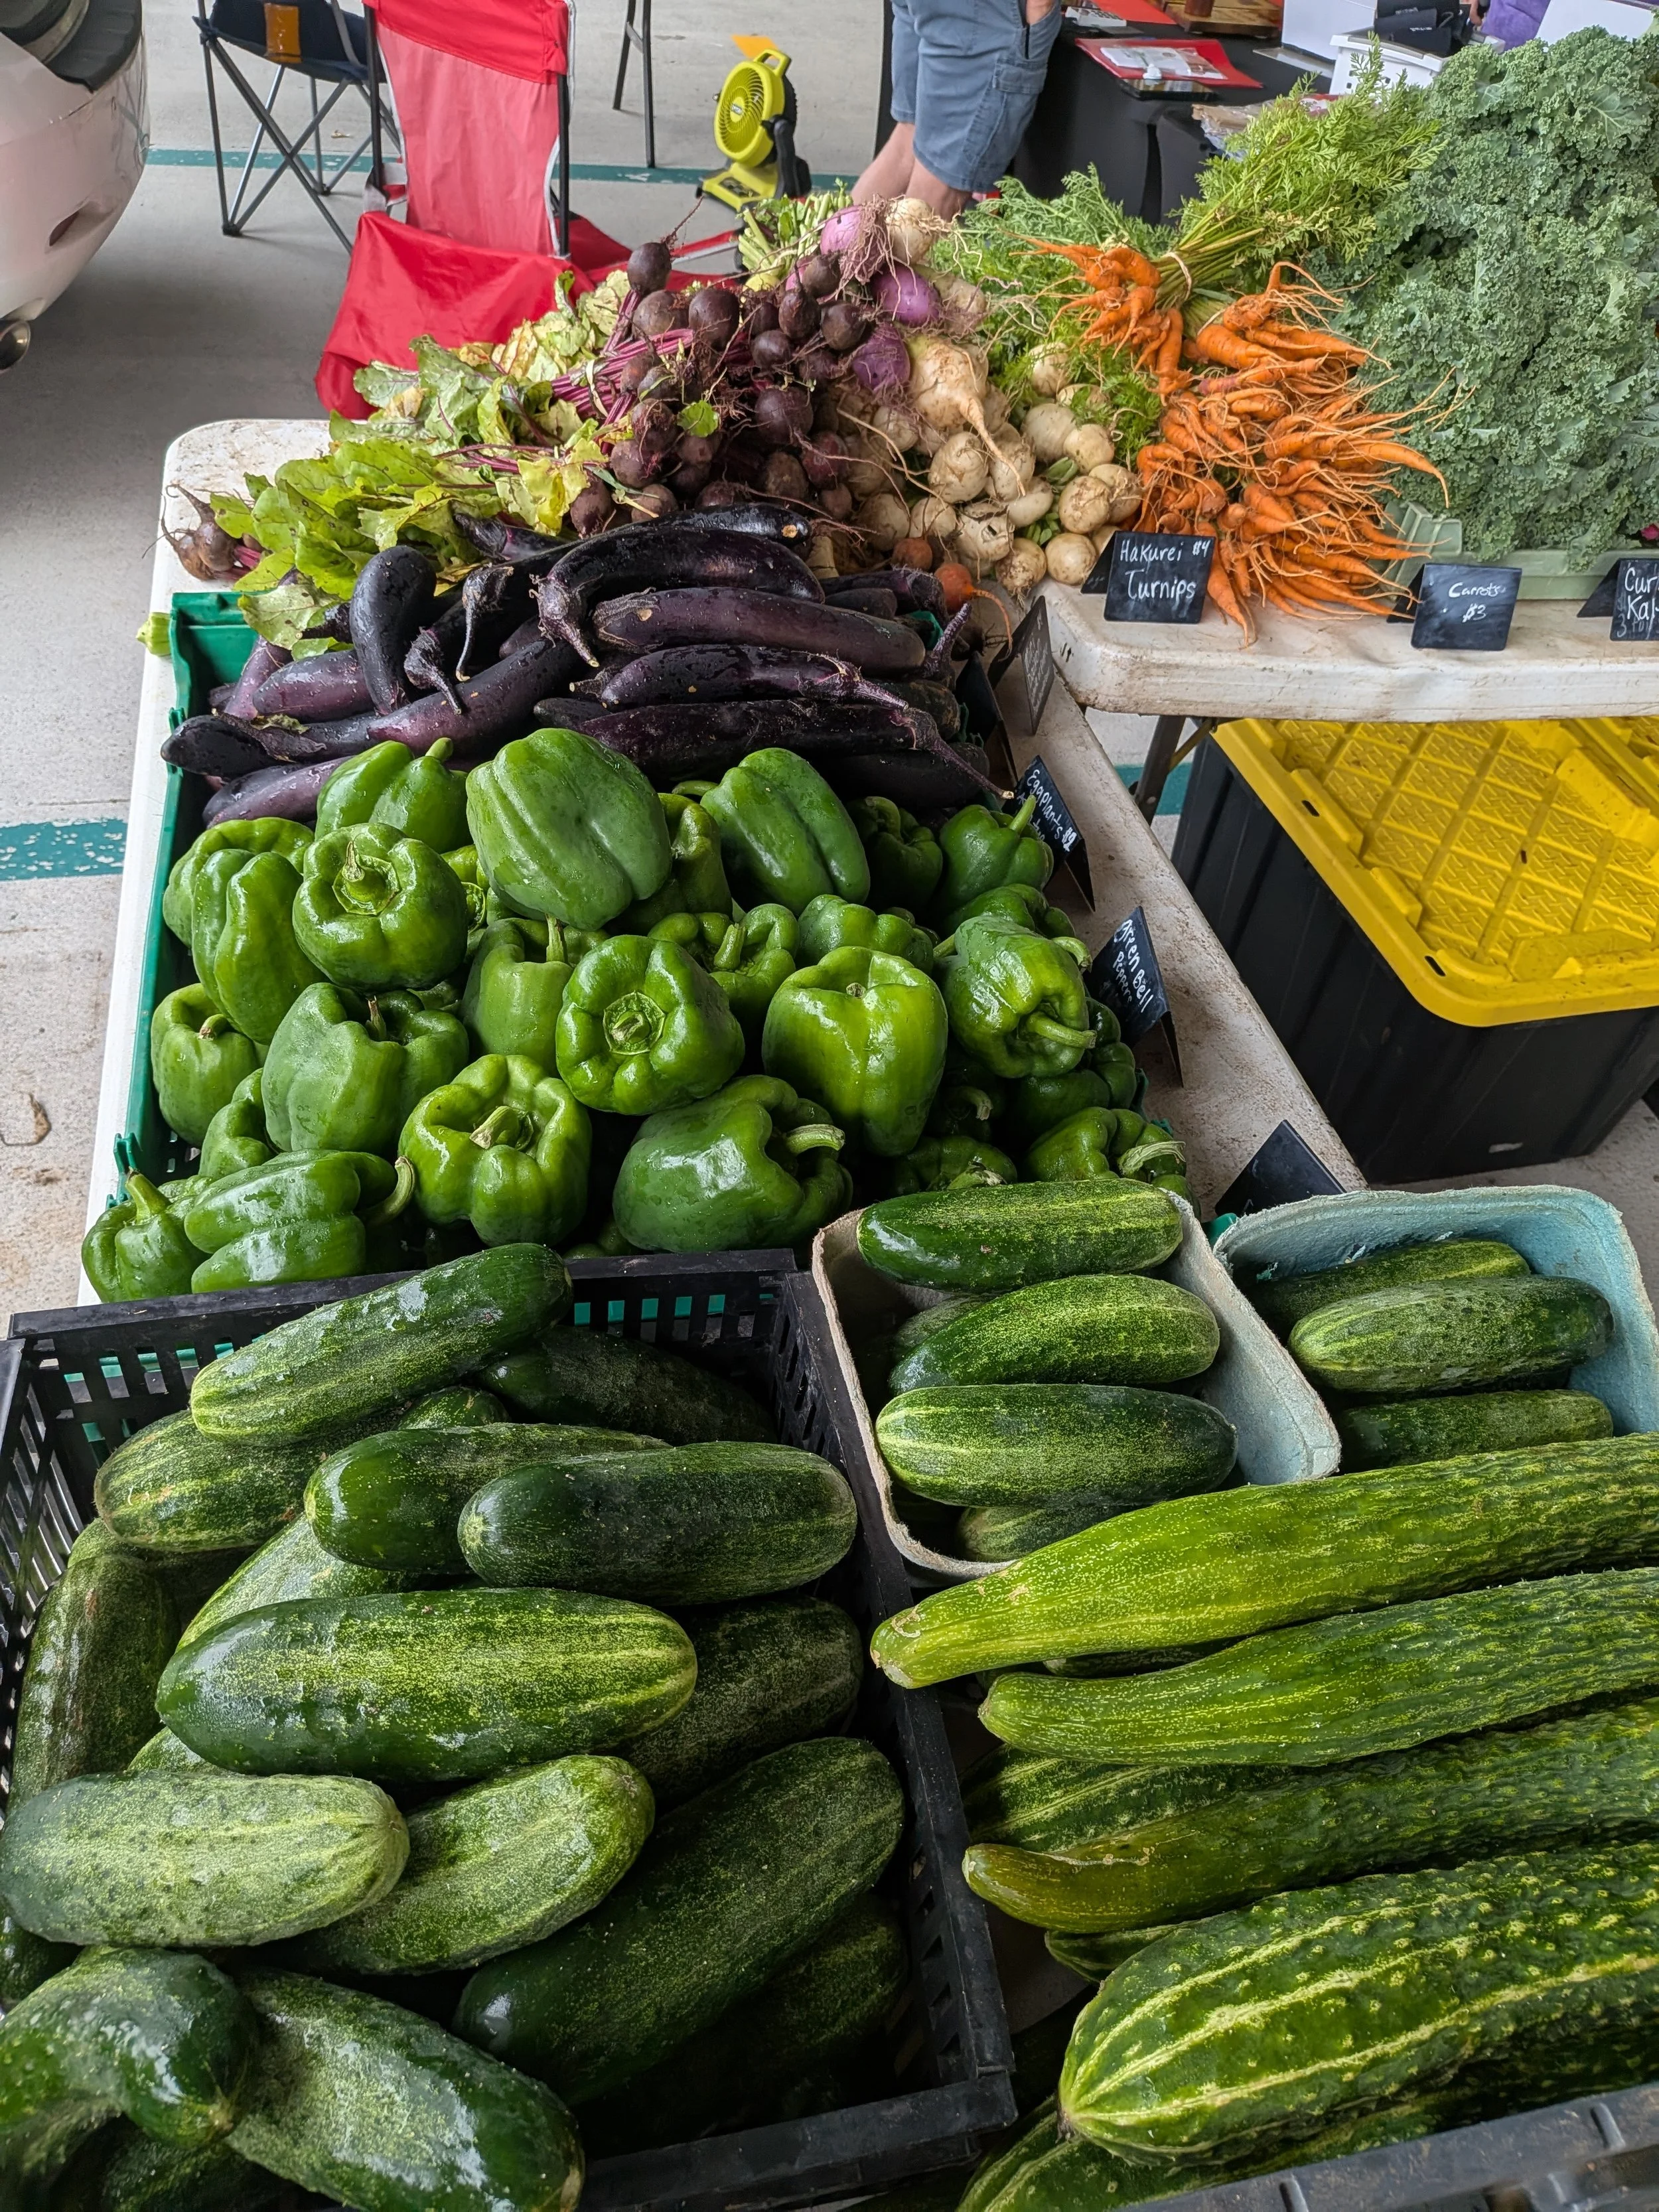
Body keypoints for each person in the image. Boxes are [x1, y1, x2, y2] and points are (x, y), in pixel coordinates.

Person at [853, 0, 1062, 216]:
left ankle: (831, 247)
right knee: (940, 184)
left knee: (908, 140)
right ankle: (854, 249)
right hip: (984, 15)